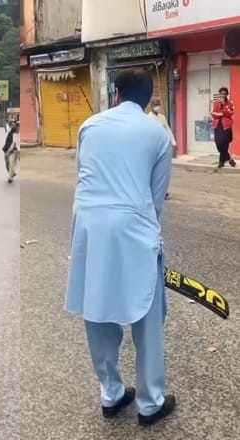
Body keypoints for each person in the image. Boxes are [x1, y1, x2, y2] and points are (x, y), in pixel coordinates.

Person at [65, 70, 175, 427]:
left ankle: (111, 393)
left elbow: (84, 174)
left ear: (116, 94)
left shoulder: (89, 127)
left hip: (88, 225)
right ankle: (149, 403)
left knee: (97, 309)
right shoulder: (157, 133)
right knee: (147, 315)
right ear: (147, 100)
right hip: (133, 226)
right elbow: (155, 198)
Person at [148, 99, 175, 199]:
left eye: (158, 105)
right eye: (156, 105)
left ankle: (164, 191)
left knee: (162, 171)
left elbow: (167, 129)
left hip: (163, 147)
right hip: (152, 147)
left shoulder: (162, 117)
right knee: (153, 171)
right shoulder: (148, 118)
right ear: (151, 106)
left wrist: (173, 141)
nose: (157, 107)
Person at [211, 86, 235, 168]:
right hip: (217, 125)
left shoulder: (230, 103)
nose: (223, 95)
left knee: (225, 144)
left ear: (227, 94)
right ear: (220, 94)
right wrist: (220, 114)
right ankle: (230, 159)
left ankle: (221, 162)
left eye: (224, 94)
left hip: (226, 126)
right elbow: (213, 114)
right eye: (221, 94)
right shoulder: (216, 103)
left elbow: (231, 113)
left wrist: (224, 105)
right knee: (218, 143)